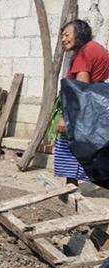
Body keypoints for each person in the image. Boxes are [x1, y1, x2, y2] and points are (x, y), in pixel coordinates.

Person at [56, 19, 109, 186]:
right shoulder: (96, 48)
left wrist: (68, 118)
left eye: (67, 35)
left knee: (71, 147)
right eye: (62, 35)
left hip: (84, 110)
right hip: (96, 108)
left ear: (79, 34)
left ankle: (70, 189)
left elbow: (80, 90)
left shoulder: (84, 53)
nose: (63, 39)